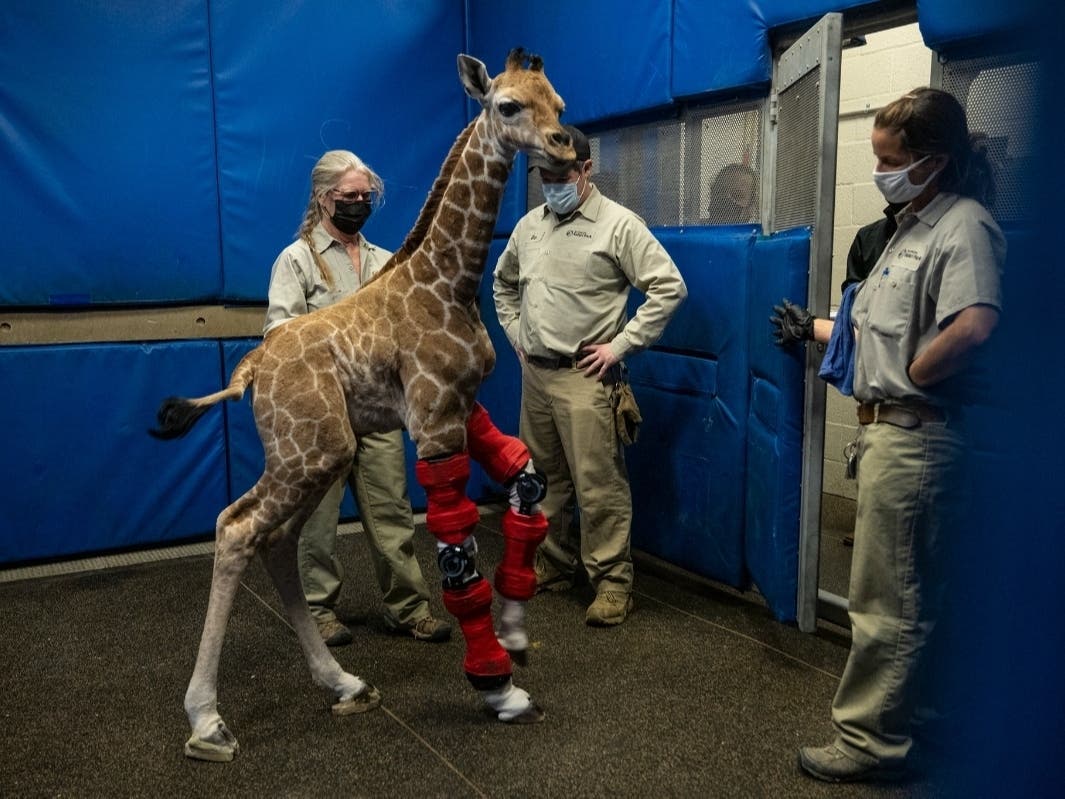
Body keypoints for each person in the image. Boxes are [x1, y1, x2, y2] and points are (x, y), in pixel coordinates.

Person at [771, 88, 1005, 782]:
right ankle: (916, 716)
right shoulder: (908, 228)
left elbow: (974, 323)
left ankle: (870, 741)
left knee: (883, 601)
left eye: (888, 159)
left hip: (914, 436)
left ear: (932, 161)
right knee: (912, 594)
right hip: (888, 435)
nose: (880, 171)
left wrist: (913, 369)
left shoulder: (961, 225)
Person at [493, 125, 687, 627]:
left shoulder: (618, 225)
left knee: (598, 484)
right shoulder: (528, 226)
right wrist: (518, 334)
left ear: (585, 169)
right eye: (544, 175)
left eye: (561, 174)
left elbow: (669, 287)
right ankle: (555, 564)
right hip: (536, 376)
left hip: (585, 377)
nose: (552, 183)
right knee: (542, 480)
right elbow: (503, 284)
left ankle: (612, 583)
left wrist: (621, 345)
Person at [264, 150, 451, 647]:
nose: (359, 204)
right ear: (324, 199)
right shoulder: (297, 260)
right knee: (318, 521)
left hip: (378, 410)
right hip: (321, 417)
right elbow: (279, 335)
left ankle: (408, 608)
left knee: (393, 511)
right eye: (349, 197)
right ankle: (319, 613)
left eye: (366, 196)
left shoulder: (386, 262)